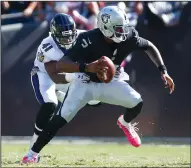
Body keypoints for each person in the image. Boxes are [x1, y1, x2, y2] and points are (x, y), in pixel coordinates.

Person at [22, 6, 175, 163]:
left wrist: (163, 70)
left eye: (123, 27)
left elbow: (149, 46)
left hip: (110, 81)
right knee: (59, 119)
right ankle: (32, 154)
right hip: (84, 83)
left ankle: (124, 122)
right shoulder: (88, 39)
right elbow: (61, 65)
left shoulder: (128, 36)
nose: (123, 32)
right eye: (118, 29)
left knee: (137, 102)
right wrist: (87, 67)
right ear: (105, 28)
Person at [29, 13, 100, 152]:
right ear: (54, 34)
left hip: (72, 72)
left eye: (70, 35)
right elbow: (55, 76)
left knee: (95, 100)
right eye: (63, 36)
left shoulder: (84, 37)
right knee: (50, 104)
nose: (68, 39)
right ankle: (34, 141)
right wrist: (77, 77)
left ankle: (64, 95)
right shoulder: (48, 47)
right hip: (45, 75)